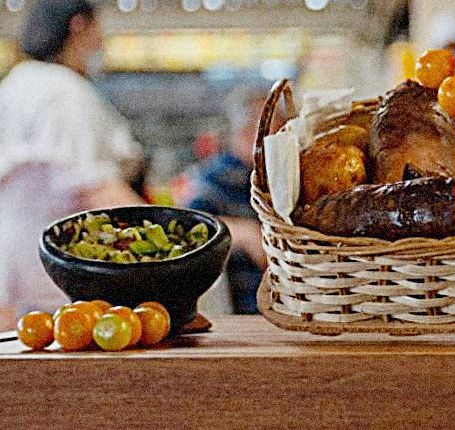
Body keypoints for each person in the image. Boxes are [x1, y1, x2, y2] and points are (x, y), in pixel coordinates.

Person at [0, 0, 145, 330]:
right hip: (55, 269)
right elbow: (95, 189)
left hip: (13, 261)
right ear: (79, 26)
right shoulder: (63, 90)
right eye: (98, 31)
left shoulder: (13, 83)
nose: (101, 43)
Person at [176, 85, 277, 314]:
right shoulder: (215, 177)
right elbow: (187, 228)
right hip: (242, 312)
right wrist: (243, 232)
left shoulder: (283, 178)